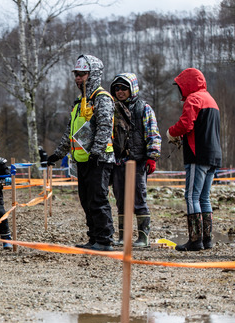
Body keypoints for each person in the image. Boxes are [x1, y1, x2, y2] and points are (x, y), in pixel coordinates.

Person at [46, 54, 115, 251]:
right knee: (86, 201)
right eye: (76, 74)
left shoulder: (102, 99)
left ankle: (104, 239)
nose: (78, 78)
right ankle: (94, 237)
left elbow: (104, 127)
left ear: (92, 75)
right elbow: (71, 132)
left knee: (98, 199)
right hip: (82, 160)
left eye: (82, 74)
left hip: (99, 160)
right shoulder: (79, 101)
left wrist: (96, 152)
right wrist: (58, 154)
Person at [168, 68, 221, 251]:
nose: (180, 90)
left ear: (187, 84)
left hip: (197, 155)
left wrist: (171, 132)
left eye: (180, 86)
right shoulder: (211, 100)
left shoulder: (194, 99)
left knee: (191, 196)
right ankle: (207, 240)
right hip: (213, 156)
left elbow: (185, 124)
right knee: (204, 197)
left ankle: (195, 240)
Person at [110, 73, 162, 248]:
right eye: (116, 88)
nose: (120, 91)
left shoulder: (143, 108)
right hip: (117, 161)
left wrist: (152, 157)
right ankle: (123, 237)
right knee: (120, 199)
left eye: (124, 88)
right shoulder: (112, 108)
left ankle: (143, 238)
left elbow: (153, 133)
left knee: (139, 198)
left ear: (132, 88)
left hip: (138, 160)